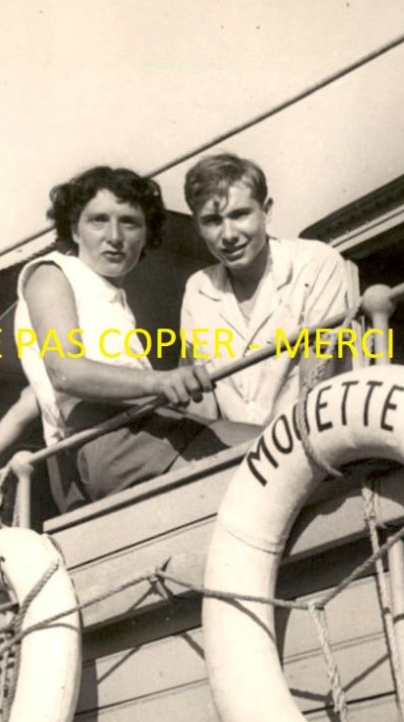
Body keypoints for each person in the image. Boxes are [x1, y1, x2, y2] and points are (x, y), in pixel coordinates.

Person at [14, 165, 252, 511]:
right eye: (98, 220)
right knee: (283, 445)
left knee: (274, 442)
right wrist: (161, 380)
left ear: (145, 235)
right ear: (74, 231)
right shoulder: (52, 272)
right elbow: (64, 371)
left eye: (129, 222)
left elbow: (33, 395)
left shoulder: (111, 297)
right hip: (105, 440)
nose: (114, 236)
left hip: (125, 436)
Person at [180, 153, 351, 426]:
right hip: (237, 457)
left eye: (239, 214)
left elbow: (319, 381)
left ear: (266, 210)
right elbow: (201, 404)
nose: (228, 235)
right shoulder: (197, 289)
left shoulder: (316, 262)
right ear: (198, 227)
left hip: (311, 438)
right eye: (212, 220)